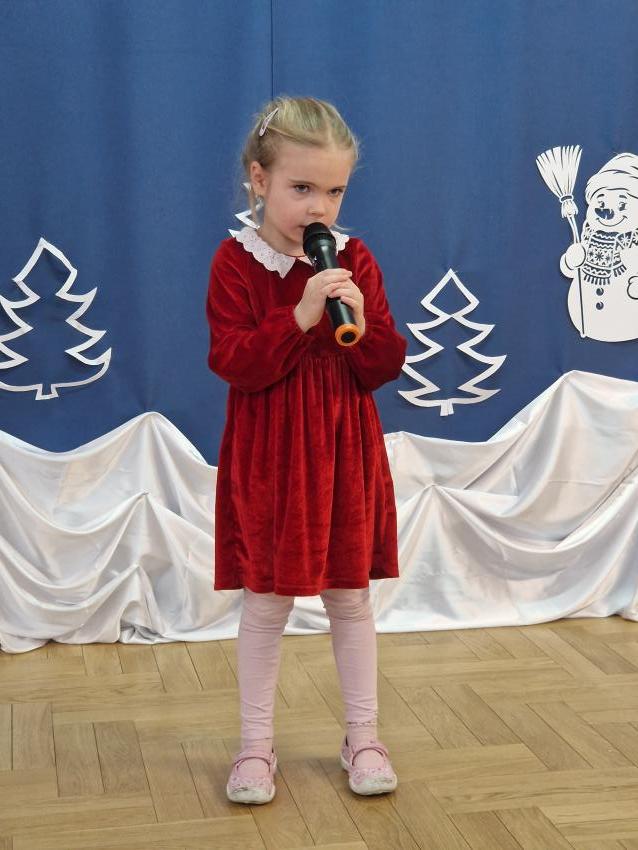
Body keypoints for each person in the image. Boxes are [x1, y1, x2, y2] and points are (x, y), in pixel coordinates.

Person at [206, 95, 407, 805]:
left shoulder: (355, 260)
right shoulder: (236, 264)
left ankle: (364, 737)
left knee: (350, 599)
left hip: (343, 453)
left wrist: (360, 318)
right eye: (301, 188)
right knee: (267, 605)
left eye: (334, 191)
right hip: (271, 457)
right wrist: (299, 315)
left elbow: (381, 366)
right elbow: (234, 362)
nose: (319, 206)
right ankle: (255, 747)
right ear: (259, 180)